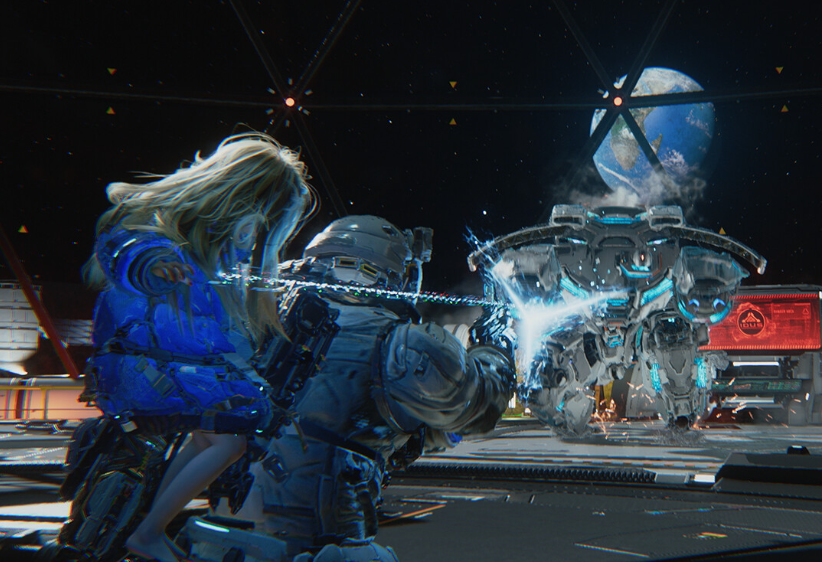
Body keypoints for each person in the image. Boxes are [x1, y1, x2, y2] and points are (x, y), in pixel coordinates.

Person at [80, 133, 314, 562]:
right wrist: (151, 264)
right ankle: (149, 531)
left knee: (212, 439)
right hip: (146, 368)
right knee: (230, 441)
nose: (255, 234)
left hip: (168, 367)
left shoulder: (209, 254)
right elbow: (129, 246)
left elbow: (207, 328)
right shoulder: (162, 235)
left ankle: (147, 525)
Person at [227, 215, 515, 561]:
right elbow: (479, 407)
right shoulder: (405, 345)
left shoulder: (266, 322)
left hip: (229, 532)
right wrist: (496, 343)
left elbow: (353, 421)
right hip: (323, 545)